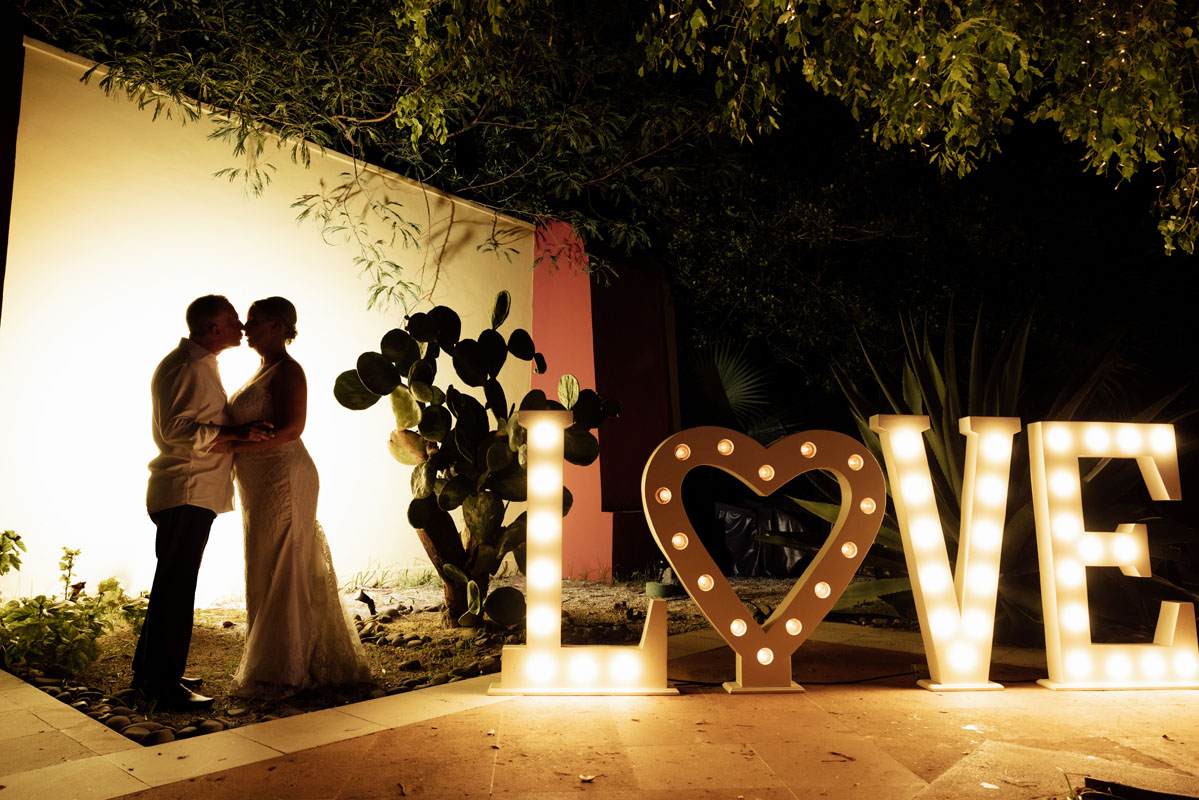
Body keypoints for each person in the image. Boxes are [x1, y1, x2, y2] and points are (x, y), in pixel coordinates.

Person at [223, 297, 370, 697]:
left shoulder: (288, 370)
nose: (245, 326)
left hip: (283, 477)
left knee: (284, 562)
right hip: (255, 483)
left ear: (276, 325)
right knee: (263, 562)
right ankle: (280, 657)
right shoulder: (262, 369)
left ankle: (286, 667)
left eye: (253, 320)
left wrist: (230, 448)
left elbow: (291, 429)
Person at [133, 295, 274, 710]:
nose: (241, 328)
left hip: (190, 491)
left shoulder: (196, 364)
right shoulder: (188, 366)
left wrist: (235, 435)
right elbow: (177, 429)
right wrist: (239, 433)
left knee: (170, 587)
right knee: (176, 589)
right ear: (214, 328)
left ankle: (151, 673)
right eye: (233, 322)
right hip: (186, 490)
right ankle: (163, 683)